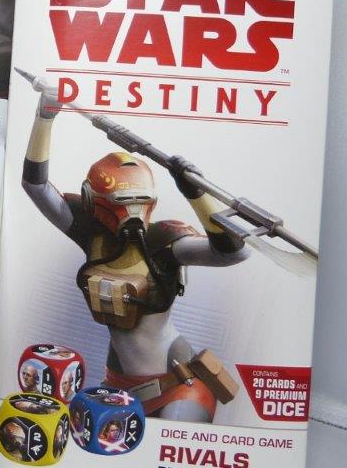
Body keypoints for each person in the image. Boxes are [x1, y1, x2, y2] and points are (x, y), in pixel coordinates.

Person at [21, 79, 250, 423]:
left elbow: (233, 253)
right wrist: (46, 115)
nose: (130, 213)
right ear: (95, 201)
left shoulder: (164, 242)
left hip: (176, 384)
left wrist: (196, 194)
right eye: (121, 202)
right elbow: (36, 185)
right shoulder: (91, 234)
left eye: (138, 201)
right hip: (117, 385)